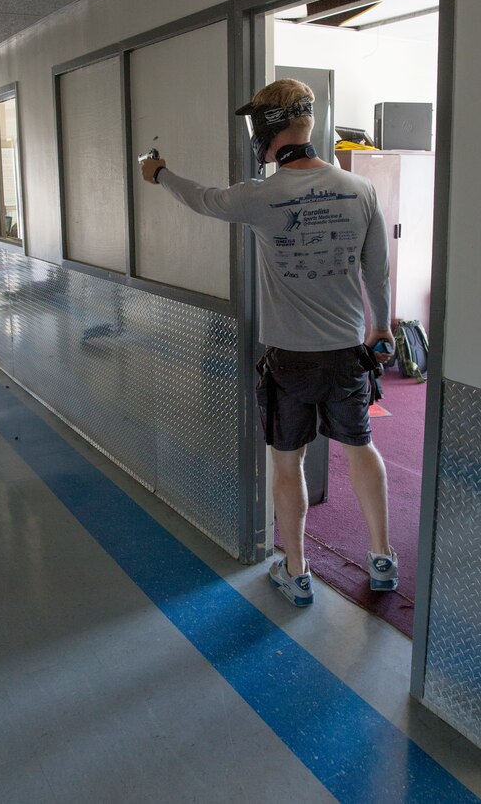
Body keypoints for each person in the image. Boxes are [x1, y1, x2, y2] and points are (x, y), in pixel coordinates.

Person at [140, 78, 398, 607]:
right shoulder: (359, 189)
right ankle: (382, 557)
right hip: (349, 354)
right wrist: (381, 328)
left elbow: (203, 200)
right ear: (308, 124)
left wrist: (159, 173)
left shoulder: (261, 196)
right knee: (361, 446)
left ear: (265, 130)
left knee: (288, 462)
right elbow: (378, 272)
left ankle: (298, 573)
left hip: (289, 360)